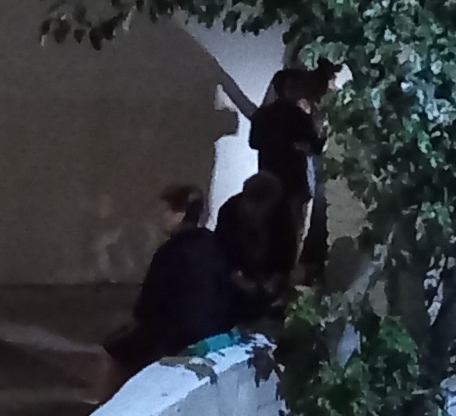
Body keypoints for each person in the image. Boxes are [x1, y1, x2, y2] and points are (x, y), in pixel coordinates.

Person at [102, 183, 240, 391]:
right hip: (217, 328)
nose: (161, 217)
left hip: (180, 334)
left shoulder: (170, 252)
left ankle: (108, 402)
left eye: (166, 210)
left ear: (180, 214)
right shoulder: (214, 244)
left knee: (117, 349)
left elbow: (147, 307)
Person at [247, 66, 330, 286]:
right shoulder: (298, 116)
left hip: (268, 178)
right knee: (291, 232)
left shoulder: (262, 116)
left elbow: (254, 143)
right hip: (293, 180)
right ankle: (283, 278)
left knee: (266, 228)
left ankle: (263, 275)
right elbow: (316, 146)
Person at [218, 170, 294, 315]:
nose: (260, 212)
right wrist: (236, 277)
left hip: (266, 279)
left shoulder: (280, 213)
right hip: (235, 281)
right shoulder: (229, 211)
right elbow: (221, 251)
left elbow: (287, 251)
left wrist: (277, 278)